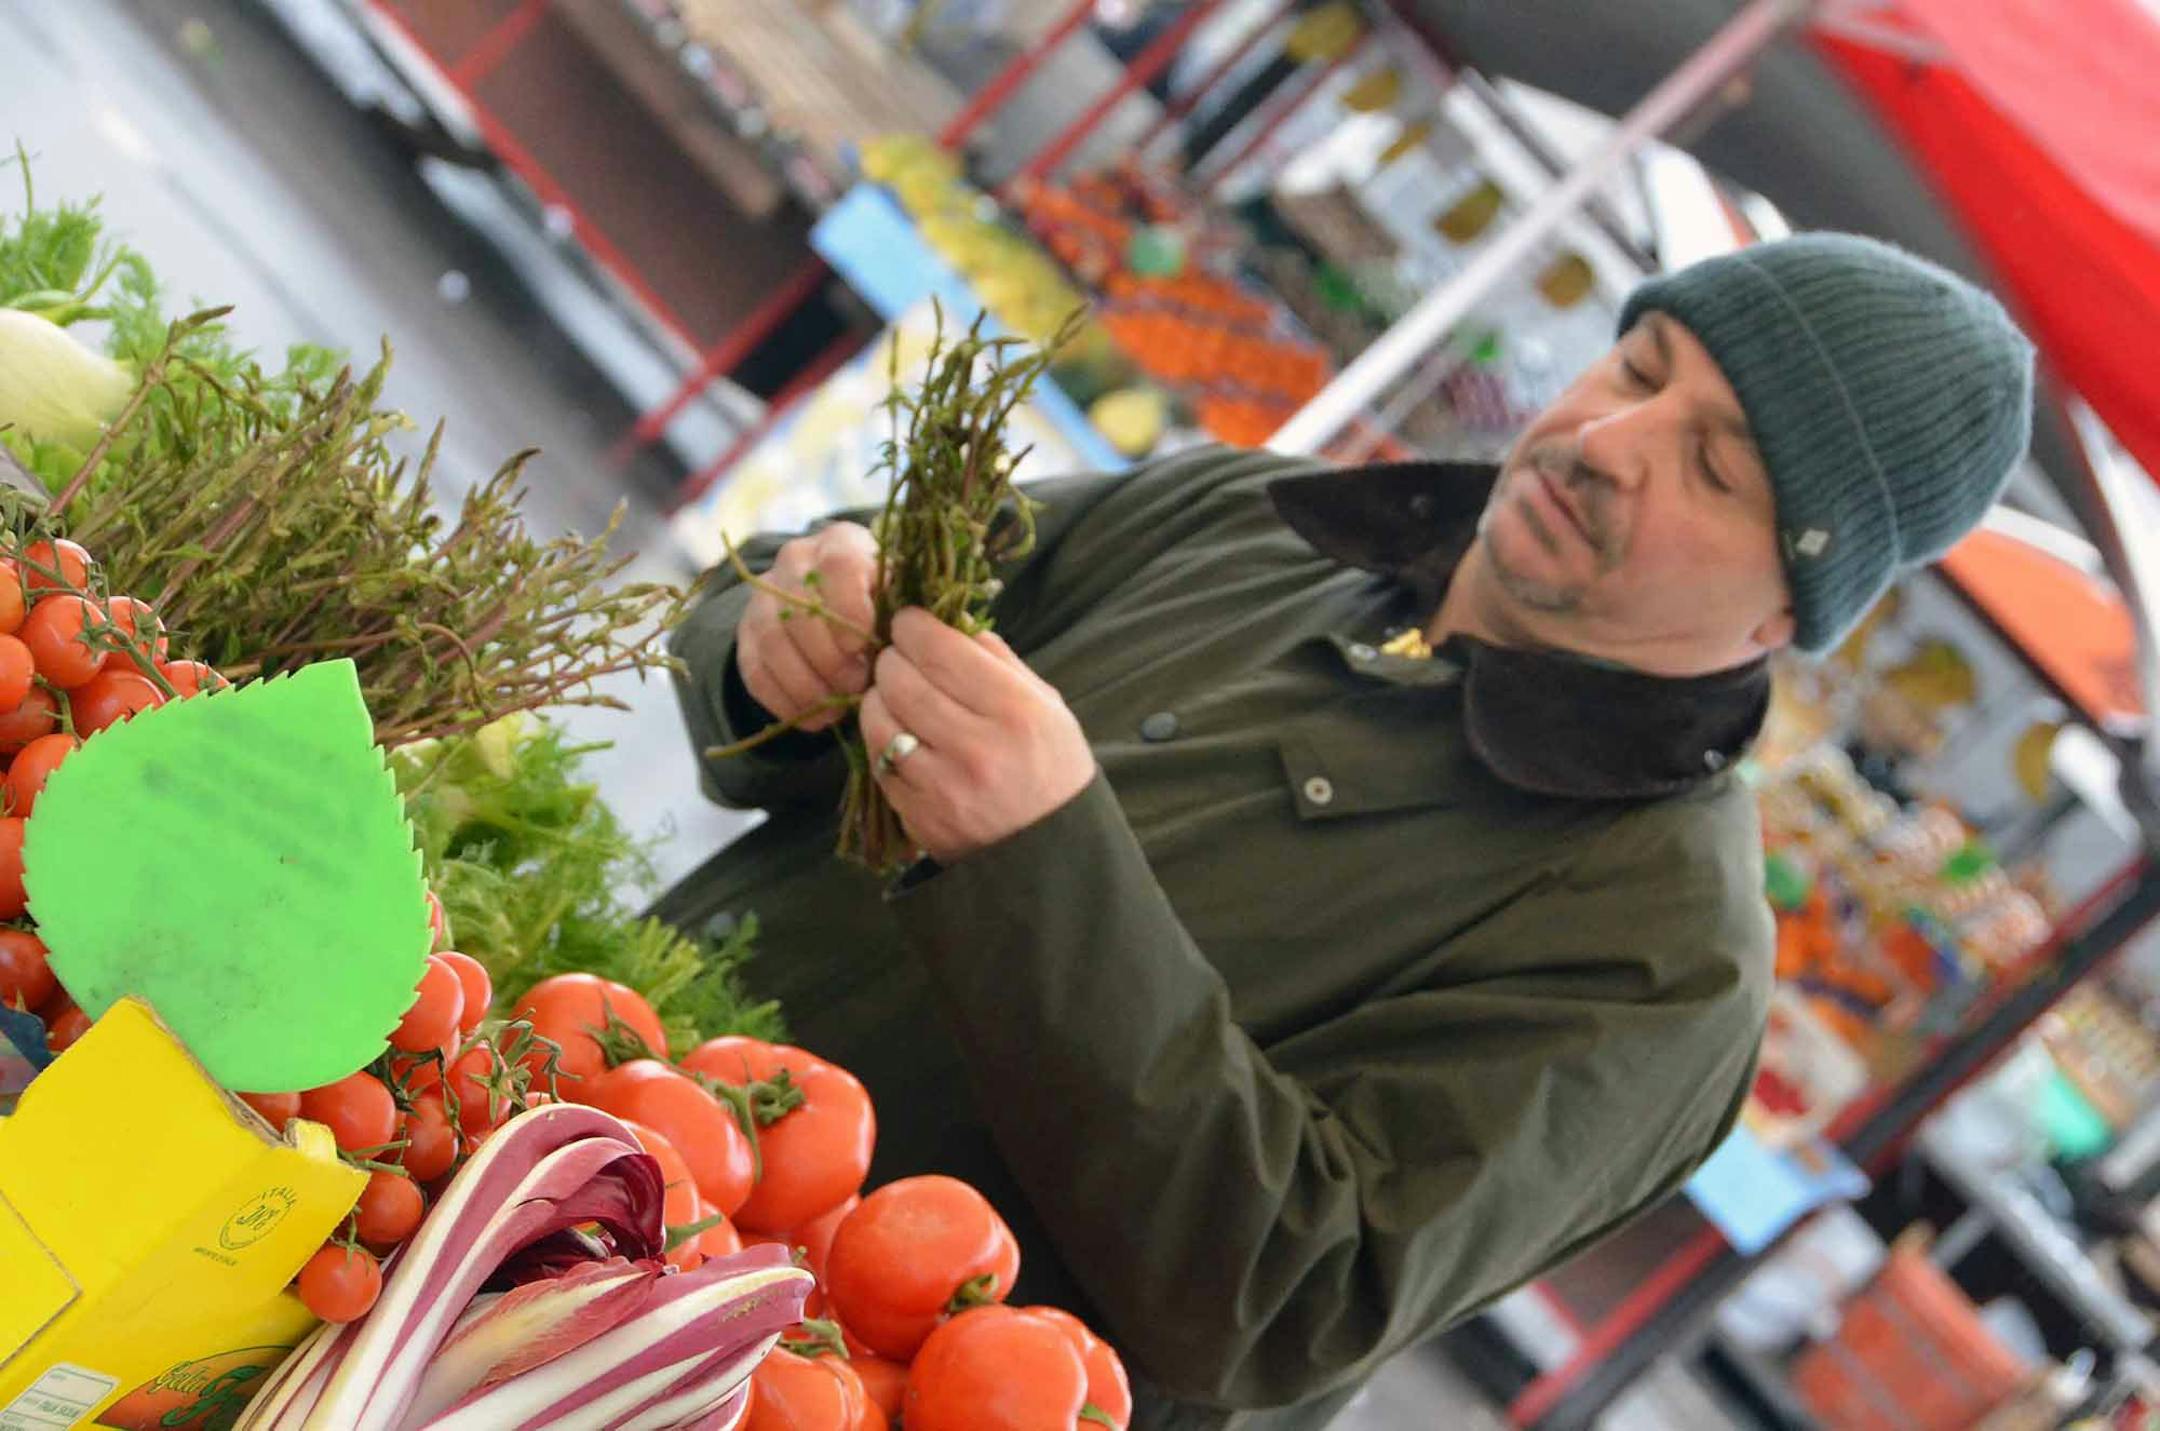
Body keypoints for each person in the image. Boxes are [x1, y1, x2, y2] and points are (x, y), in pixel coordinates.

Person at [654, 233, 2034, 1429]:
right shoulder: (1243, 518)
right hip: (570, 1152)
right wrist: (780, 627)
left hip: (816, 1396)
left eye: (1715, 469)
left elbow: (1285, 1295)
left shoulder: (1664, 960)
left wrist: (1039, 860)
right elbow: (789, 629)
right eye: (1640, 368)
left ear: (1789, 610)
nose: (1607, 446)